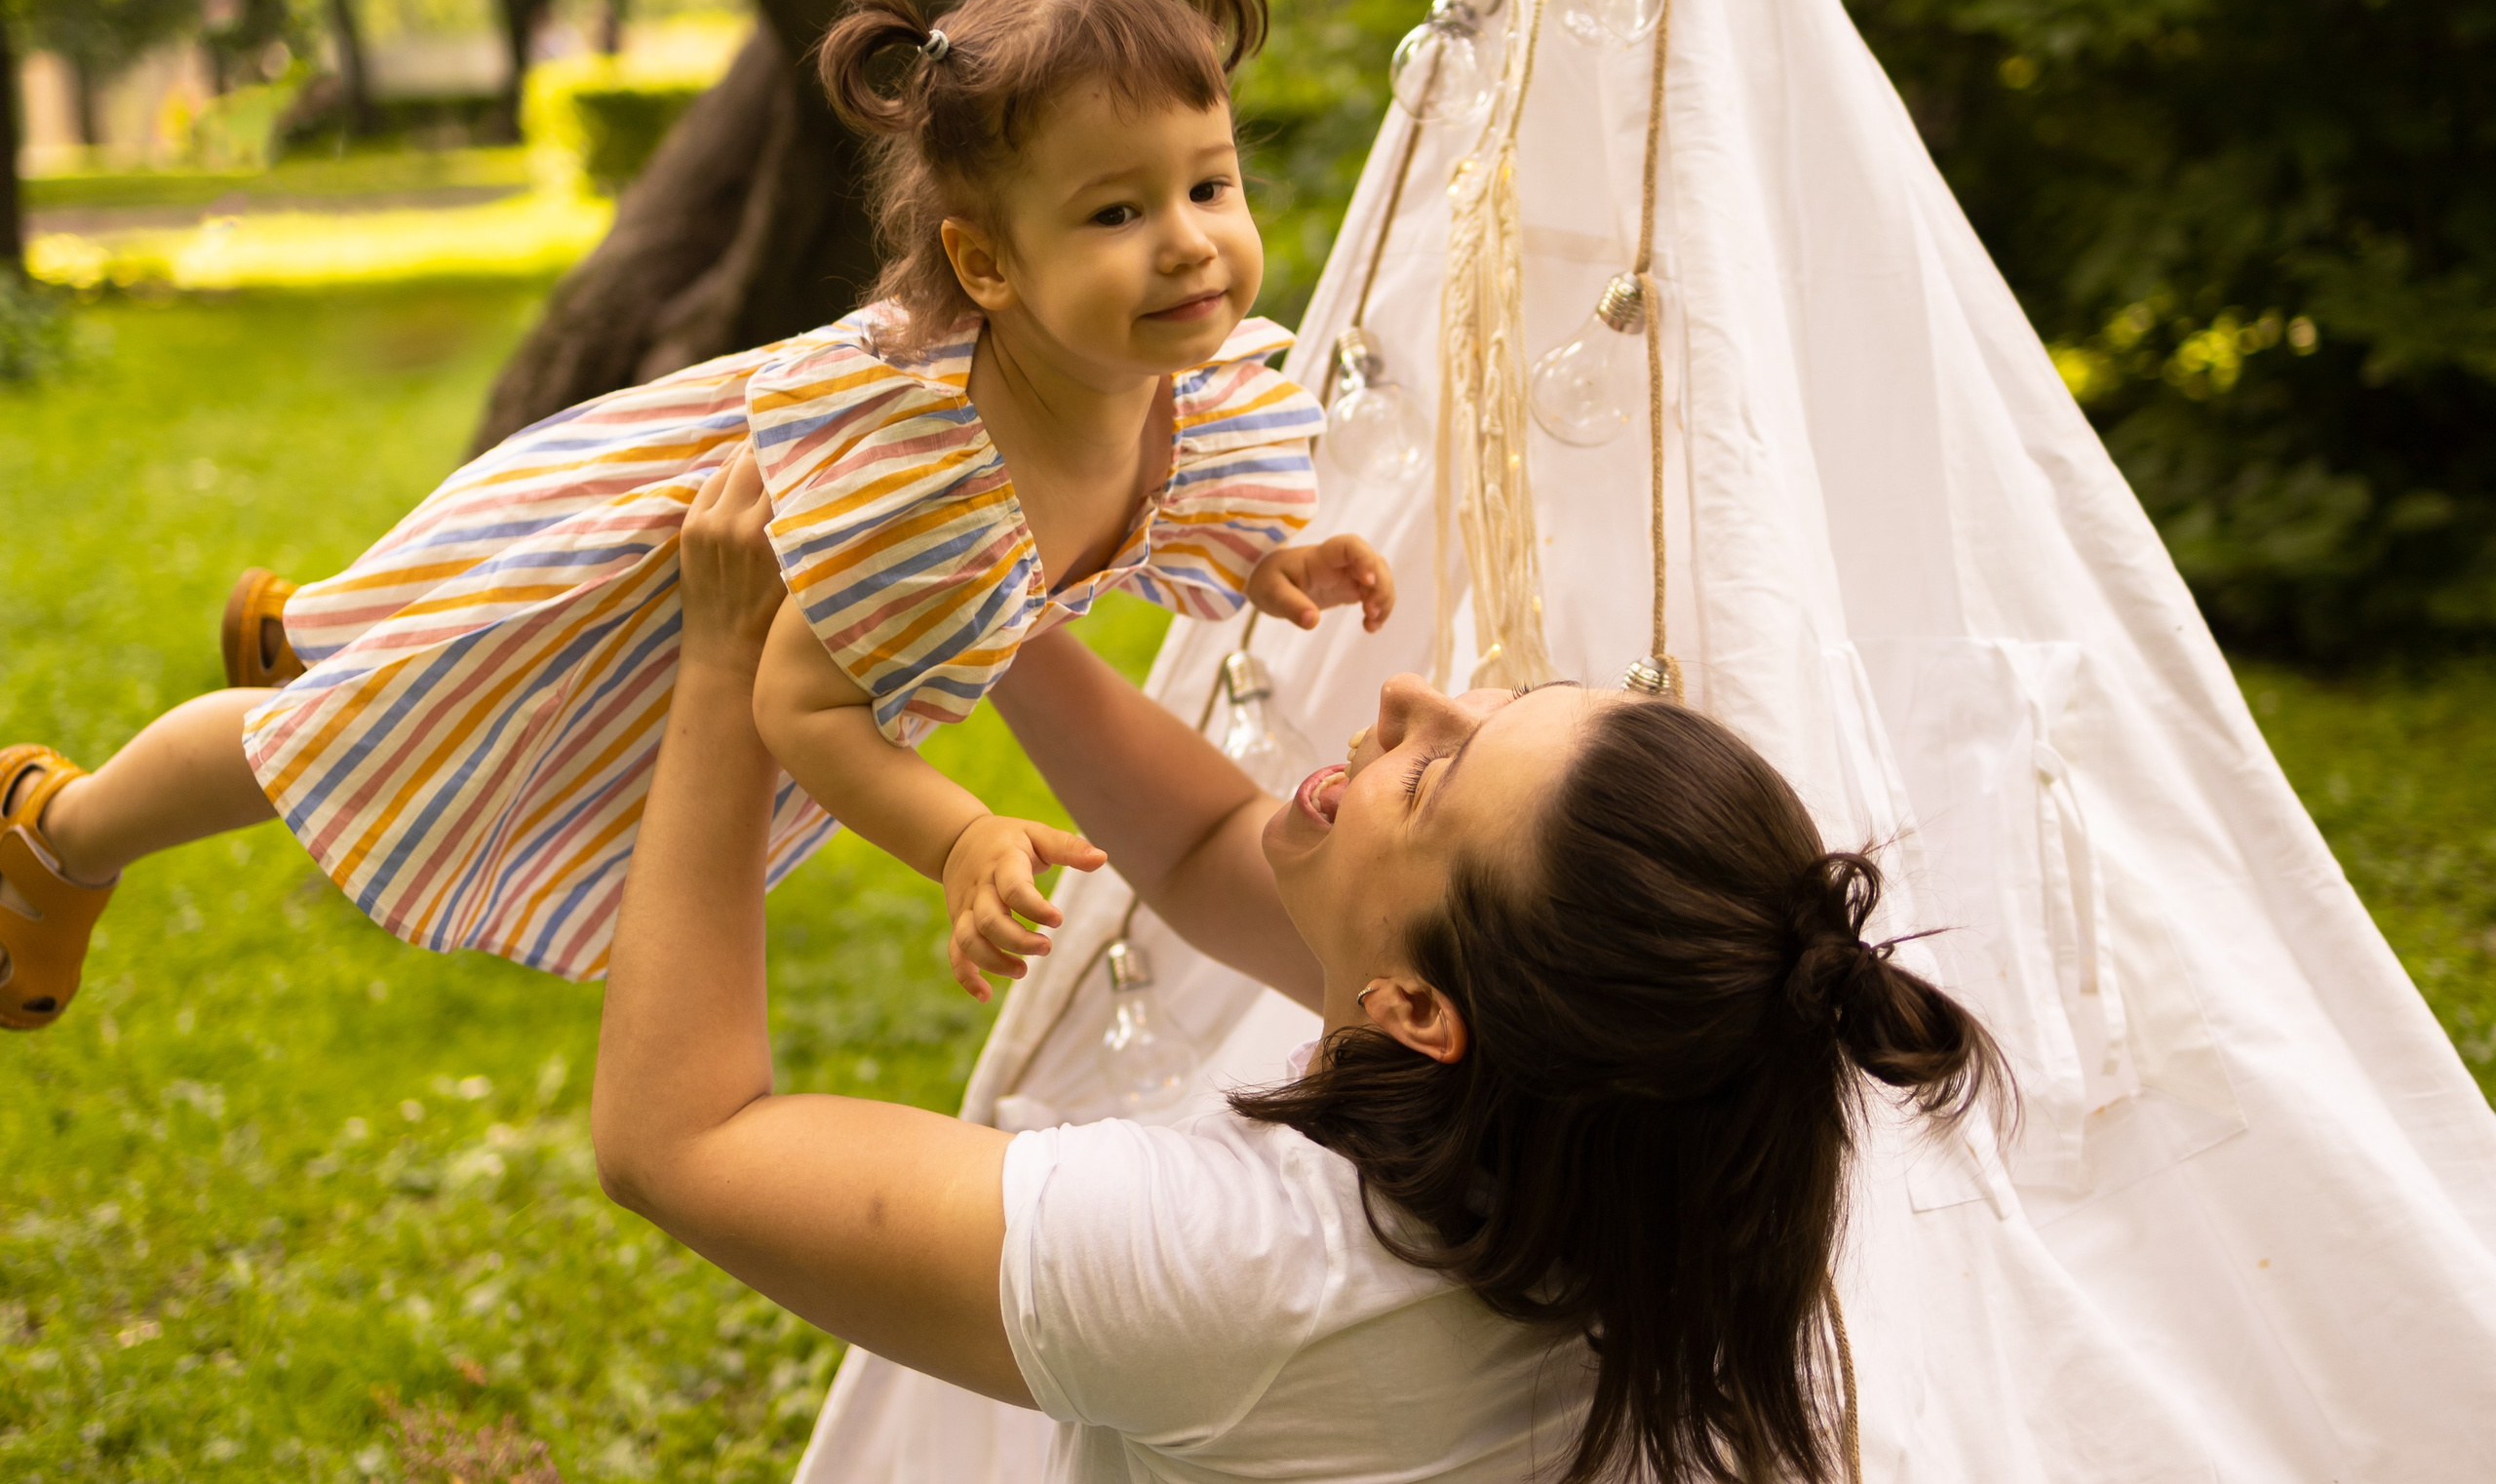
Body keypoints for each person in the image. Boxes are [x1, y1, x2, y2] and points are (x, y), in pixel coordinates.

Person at [0, 0, 1390, 1030]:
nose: (1192, 240)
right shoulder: (928, 480)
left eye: (1209, 182)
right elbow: (801, 710)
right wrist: (955, 832)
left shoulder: (1183, 390)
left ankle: (341, 618)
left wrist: (1270, 558)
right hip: (641, 599)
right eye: (1116, 214)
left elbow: (1149, 511)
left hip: (660, 609)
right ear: (987, 267)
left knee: (420, 659)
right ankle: (60, 832)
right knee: (345, 745)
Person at [591, 446, 2009, 1484]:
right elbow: (1210, 842)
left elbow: (683, 1139)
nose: (1405, 696)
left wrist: (723, 665)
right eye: (1487, 703)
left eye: (1439, 774)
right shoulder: (1649, 1156)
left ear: (1418, 1013)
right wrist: (992, 587)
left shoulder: (1247, 1270)